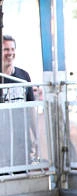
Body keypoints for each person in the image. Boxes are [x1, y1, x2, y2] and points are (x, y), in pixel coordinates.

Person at [1, 34, 38, 166]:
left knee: (22, 172)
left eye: (12, 49)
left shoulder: (23, 75)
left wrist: (36, 136)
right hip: (2, 141)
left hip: (21, 140)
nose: (10, 53)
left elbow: (31, 108)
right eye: (6, 49)